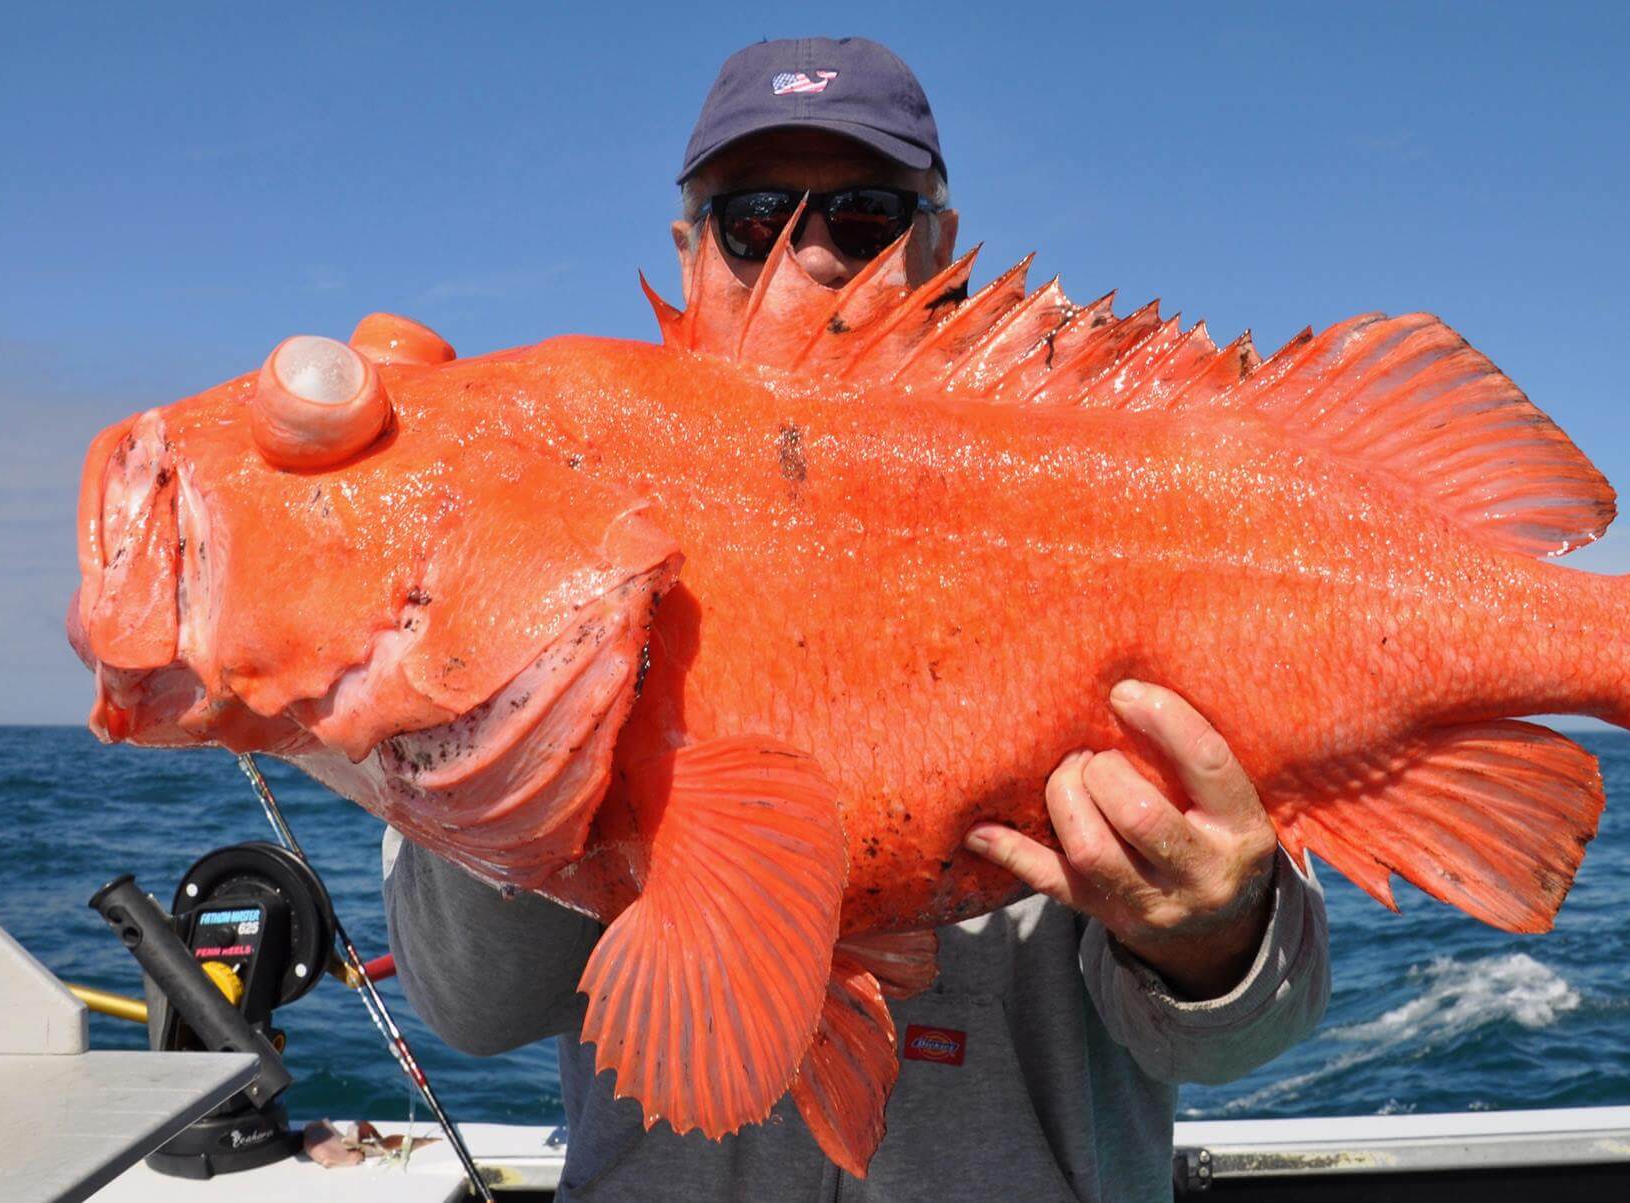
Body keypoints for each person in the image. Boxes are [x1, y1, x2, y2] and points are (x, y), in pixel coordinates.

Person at [384, 36, 1331, 1202]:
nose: (808, 256)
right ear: (689, 256)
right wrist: (514, 722)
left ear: (937, 244)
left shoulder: (1102, 501)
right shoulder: (559, 507)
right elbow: (471, 1008)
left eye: (862, 216)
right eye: (756, 216)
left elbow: (1235, 1042)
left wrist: (1211, 935)